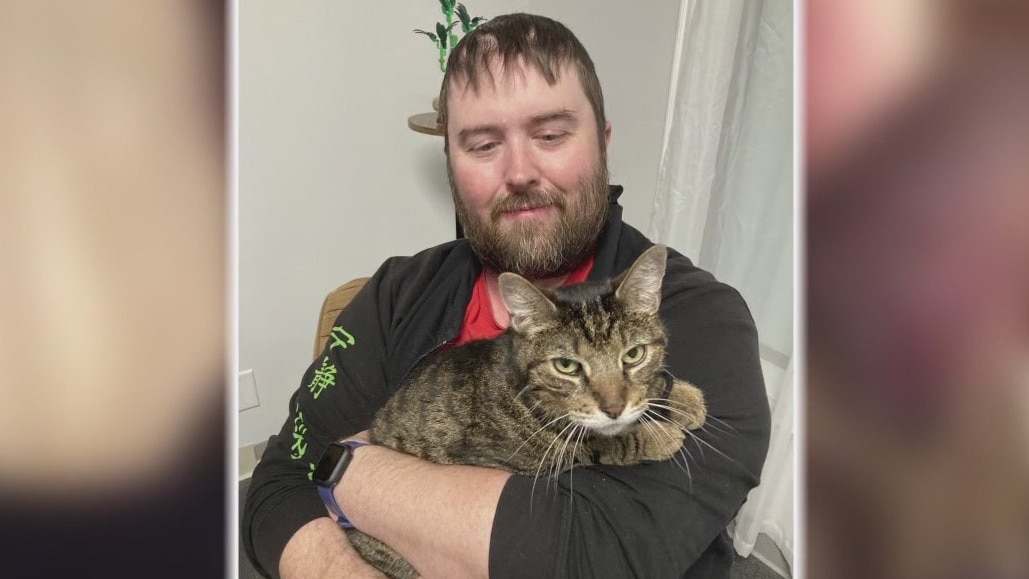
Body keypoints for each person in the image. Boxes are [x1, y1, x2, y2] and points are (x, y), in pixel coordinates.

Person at [243, 13, 770, 578]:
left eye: (551, 135)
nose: (520, 172)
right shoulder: (394, 295)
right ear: (451, 163)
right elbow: (276, 487)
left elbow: (591, 558)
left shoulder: (706, 319)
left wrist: (350, 472)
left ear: (603, 141)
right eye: (484, 144)